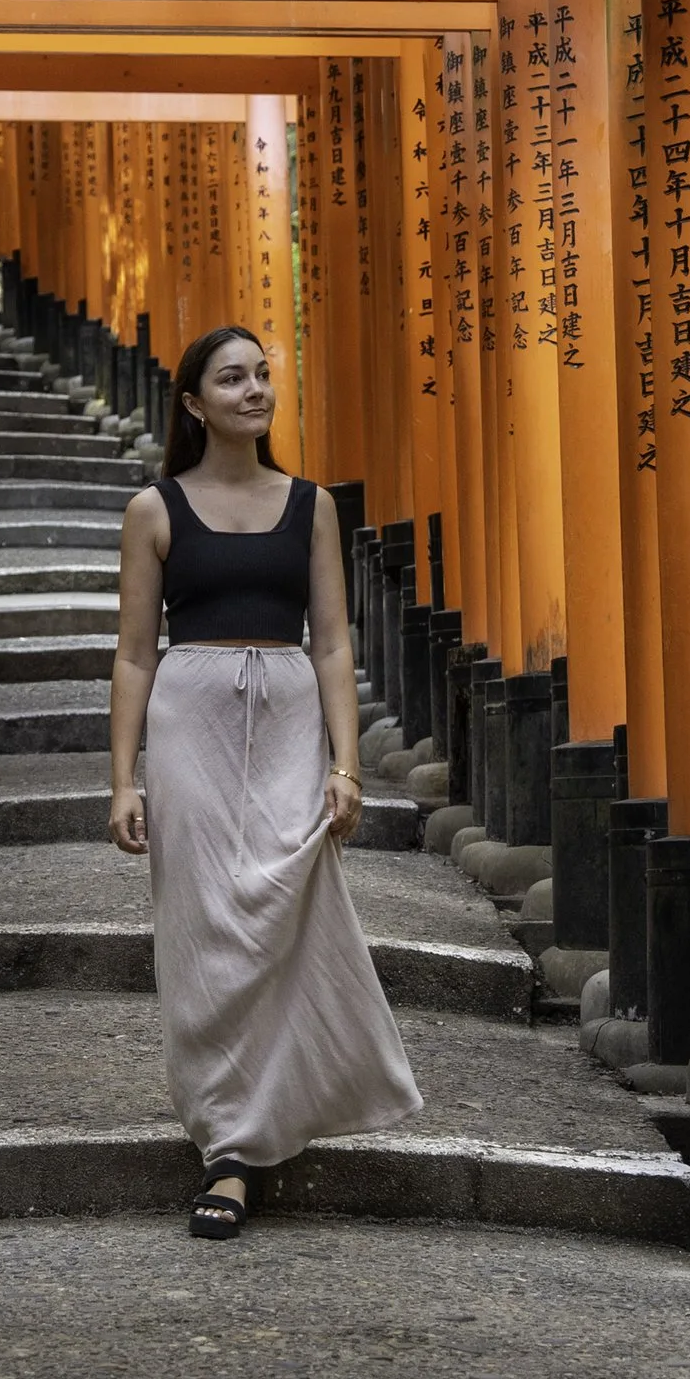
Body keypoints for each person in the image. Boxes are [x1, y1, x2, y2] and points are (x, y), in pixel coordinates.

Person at [108, 323, 423, 1240]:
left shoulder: (311, 505)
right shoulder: (153, 510)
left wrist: (346, 763)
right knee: (205, 922)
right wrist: (123, 779)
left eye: (261, 375)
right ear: (194, 403)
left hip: (288, 711)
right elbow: (134, 654)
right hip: (189, 715)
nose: (254, 390)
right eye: (231, 379)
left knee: (290, 899)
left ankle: (286, 1097)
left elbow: (333, 642)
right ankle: (231, 1147)